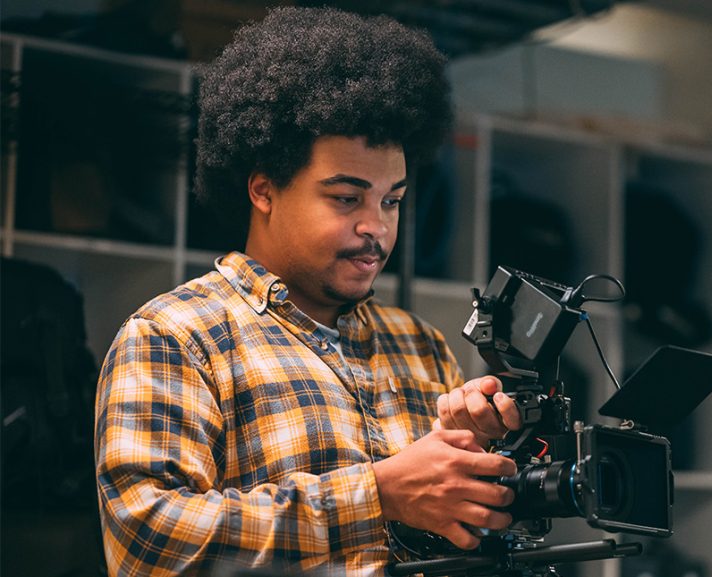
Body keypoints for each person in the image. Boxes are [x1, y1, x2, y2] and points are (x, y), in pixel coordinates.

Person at [94, 8, 521, 576]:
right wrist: (377, 495)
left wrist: (476, 461)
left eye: (391, 200)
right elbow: (148, 542)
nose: (377, 226)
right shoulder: (175, 337)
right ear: (264, 190)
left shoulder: (418, 344)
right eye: (346, 198)